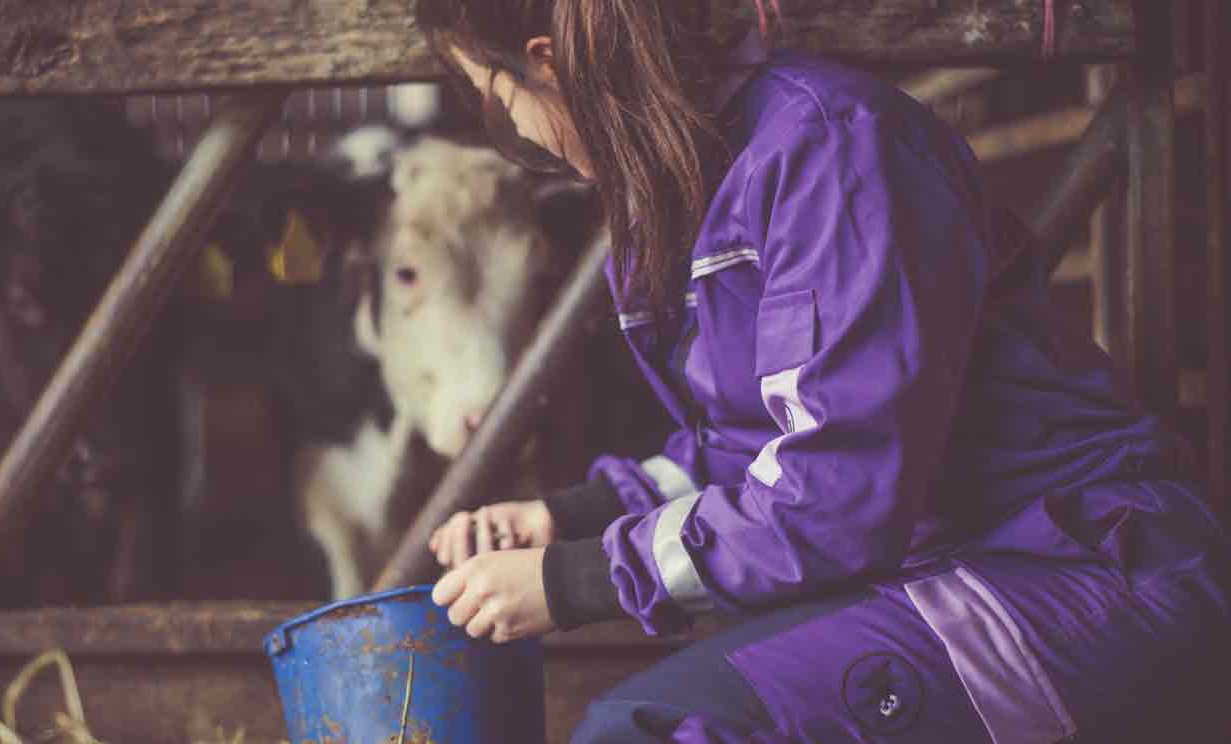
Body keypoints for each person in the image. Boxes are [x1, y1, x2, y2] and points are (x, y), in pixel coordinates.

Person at [417, 2, 1231, 741]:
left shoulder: (829, 147)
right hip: (934, 568)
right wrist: (576, 515)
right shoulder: (695, 179)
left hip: (1077, 573)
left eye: (494, 100)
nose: (515, 132)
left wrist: (576, 578)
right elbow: (763, 445)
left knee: (648, 730)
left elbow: (835, 495)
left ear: (548, 63)